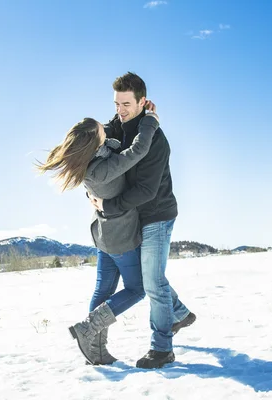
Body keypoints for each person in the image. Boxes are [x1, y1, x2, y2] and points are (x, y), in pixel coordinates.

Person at [36, 108, 160, 365]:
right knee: (137, 289)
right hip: (120, 237)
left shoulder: (94, 158)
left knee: (103, 292)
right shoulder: (101, 168)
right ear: (95, 140)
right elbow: (137, 151)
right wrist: (149, 122)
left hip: (104, 234)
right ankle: (87, 330)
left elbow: (107, 141)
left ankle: (96, 350)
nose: (106, 128)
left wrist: (123, 113)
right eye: (101, 129)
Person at [89, 72, 196, 369]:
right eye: (116, 103)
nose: (119, 110)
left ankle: (162, 349)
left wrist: (108, 205)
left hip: (155, 215)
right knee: (150, 278)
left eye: (126, 104)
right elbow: (99, 133)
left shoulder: (156, 141)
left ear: (141, 102)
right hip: (131, 215)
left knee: (152, 282)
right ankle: (180, 313)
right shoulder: (119, 126)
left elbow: (146, 191)